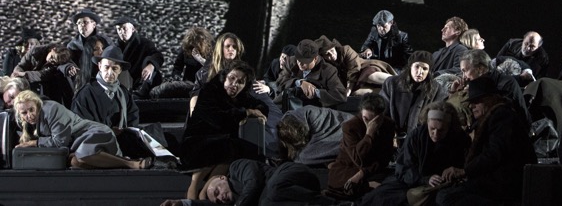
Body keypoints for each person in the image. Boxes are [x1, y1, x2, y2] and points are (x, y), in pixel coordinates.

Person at [434, 76, 537, 205]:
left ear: (490, 99)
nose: (471, 106)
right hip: (496, 179)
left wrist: (464, 171)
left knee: (446, 196)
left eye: (476, 101)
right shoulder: (491, 117)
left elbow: (494, 154)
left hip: (504, 183)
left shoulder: (502, 116)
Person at [358, 101, 471, 206]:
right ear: (427, 123)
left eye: (441, 130)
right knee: (380, 197)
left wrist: (456, 172)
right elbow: (403, 167)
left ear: (449, 126)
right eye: (432, 128)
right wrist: (425, 179)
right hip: (414, 180)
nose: (435, 134)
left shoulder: (461, 138)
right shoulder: (416, 136)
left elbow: (468, 167)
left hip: (445, 184)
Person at [13, 89, 152, 169]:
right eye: (24, 113)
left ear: (37, 105)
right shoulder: (28, 124)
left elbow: (59, 142)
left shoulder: (51, 109)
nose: (29, 115)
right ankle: (116, 162)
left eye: (31, 110)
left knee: (83, 154)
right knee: (75, 162)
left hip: (95, 133)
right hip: (78, 144)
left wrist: (34, 143)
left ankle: (131, 163)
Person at [181, 61, 269, 168]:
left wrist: (258, 111)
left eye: (240, 82)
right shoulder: (209, 91)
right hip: (196, 145)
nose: (234, 84)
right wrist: (247, 112)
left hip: (220, 143)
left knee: (256, 153)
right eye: (232, 78)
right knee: (234, 149)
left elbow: (262, 106)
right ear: (225, 77)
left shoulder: (240, 96)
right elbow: (218, 119)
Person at [161, 157, 342, 206]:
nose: (220, 197)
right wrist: (181, 203)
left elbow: (254, 181)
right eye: (217, 200)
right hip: (292, 195)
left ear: (222, 178)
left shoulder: (237, 168)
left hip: (292, 174)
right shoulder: (234, 201)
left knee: (272, 191)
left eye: (217, 192)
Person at [325, 93, 396, 200]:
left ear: (381, 116)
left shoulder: (388, 124)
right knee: (348, 187)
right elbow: (358, 160)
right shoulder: (350, 126)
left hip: (373, 168)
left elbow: (385, 157)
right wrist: (369, 134)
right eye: (366, 119)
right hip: (348, 167)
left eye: (374, 121)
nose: (369, 123)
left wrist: (362, 173)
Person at [447, 49, 529, 129]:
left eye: (465, 71)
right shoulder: (476, 85)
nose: (464, 77)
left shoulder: (505, 84)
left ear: (481, 69)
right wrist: (454, 92)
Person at [380, 50, 446, 140]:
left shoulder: (436, 89)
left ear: (429, 71)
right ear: (410, 66)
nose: (419, 72)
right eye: (417, 66)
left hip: (419, 139)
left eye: (424, 69)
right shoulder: (392, 83)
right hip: (391, 136)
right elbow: (382, 110)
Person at [72, 44, 139, 128]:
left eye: (114, 68)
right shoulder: (85, 94)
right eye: (106, 67)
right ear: (99, 66)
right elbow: (80, 124)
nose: (110, 73)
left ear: (120, 70)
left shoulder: (124, 93)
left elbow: (133, 118)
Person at [274, 39, 348, 109]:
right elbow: (280, 82)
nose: (300, 63)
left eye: (304, 61)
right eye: (298, 59)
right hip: (287, 104)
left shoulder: (328, 70)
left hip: (313, 109)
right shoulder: (291, 62)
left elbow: (340, 95)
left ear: (315, 59)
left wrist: (315, 92)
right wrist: (299, 83)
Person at [317, 35, 394, 94]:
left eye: (332, 50)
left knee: (369, 76)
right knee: (356, 93)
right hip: (353, 81)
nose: (332, 55)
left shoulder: (346, 50)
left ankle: (398, 81)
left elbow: (354, 68)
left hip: (363, 68)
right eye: (327, 54)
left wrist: (349, 89)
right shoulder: (326, 65)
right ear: (323, 56)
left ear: (334, 47)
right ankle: (389, 93)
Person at [113, 15, 166, 98]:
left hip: (145, 80)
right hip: (127, 82)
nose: (121, 32)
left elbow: (158, 55)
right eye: (119, 29)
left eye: (124, 28)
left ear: (133, 29)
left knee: (149, 60)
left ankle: (141, 91)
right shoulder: (115, 48)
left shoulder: (144, 43)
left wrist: (151, 65)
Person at [191, 32, 244, 113]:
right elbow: (196, 94)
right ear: (220, 49)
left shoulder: (243, 70)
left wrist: (264, 88)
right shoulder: (204, 72)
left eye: (234, 47)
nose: (231, 49)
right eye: (227, 46)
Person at [67, 7, 103, 90]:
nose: (82, 25)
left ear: (94, 25)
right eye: (79, 23)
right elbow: (69, 62)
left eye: (85, 22)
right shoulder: (72, 45)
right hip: (81, 82)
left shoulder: (104, 42)